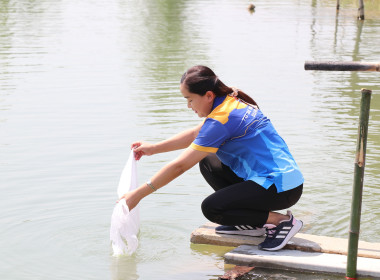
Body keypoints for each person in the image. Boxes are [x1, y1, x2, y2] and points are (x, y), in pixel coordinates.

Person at [119, 65, 304, 251]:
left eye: (190, 100)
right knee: (209, 162)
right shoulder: (228, 102)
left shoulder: (221, 119)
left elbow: (180, 166)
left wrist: (138, 195)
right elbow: (194, 135)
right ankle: (252, 223)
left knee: (212, 208)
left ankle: (281, 221)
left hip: (281, 187)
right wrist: (153, 148)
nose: (188, 106)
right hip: (281, 181)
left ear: (208, 95)